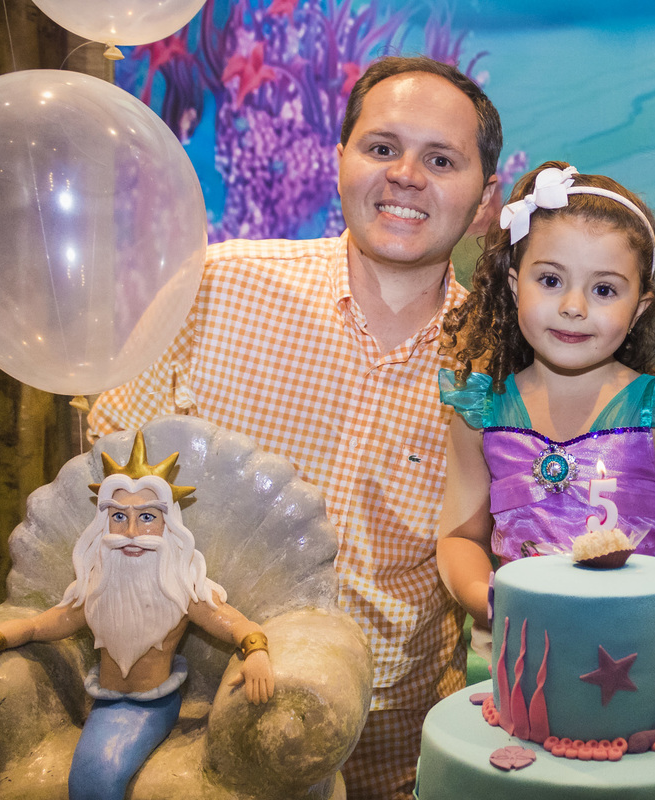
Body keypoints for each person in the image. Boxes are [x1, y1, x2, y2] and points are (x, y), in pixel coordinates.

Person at [88, 55, 502, 799]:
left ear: (484, 199)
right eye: (382, 147)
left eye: (441, 159)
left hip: (392, 760)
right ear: (339, 159)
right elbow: (104, 469)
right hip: (181, 740)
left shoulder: (498, 368)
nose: (406, 174)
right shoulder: (219, 285)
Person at [435, 162, 655, 634]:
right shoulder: (480, 412)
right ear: (515, 288)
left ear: (639, 309)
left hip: (641, 649)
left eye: (604, 289)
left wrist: (626, 596)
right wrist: (488, 600)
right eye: (551, 280)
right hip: (525, 653)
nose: (574, 307)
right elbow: (458, 538)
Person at [0, 432, 274, 800]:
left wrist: (256, 650)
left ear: (169, 526)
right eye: (119, 517)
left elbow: (236, 624)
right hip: (104, 697)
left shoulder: (183, 591)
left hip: (152, 703)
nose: (131, 533)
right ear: (104, 525)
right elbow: (38, 624)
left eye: (146, 517)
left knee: (95, 778)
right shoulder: (94, 592)